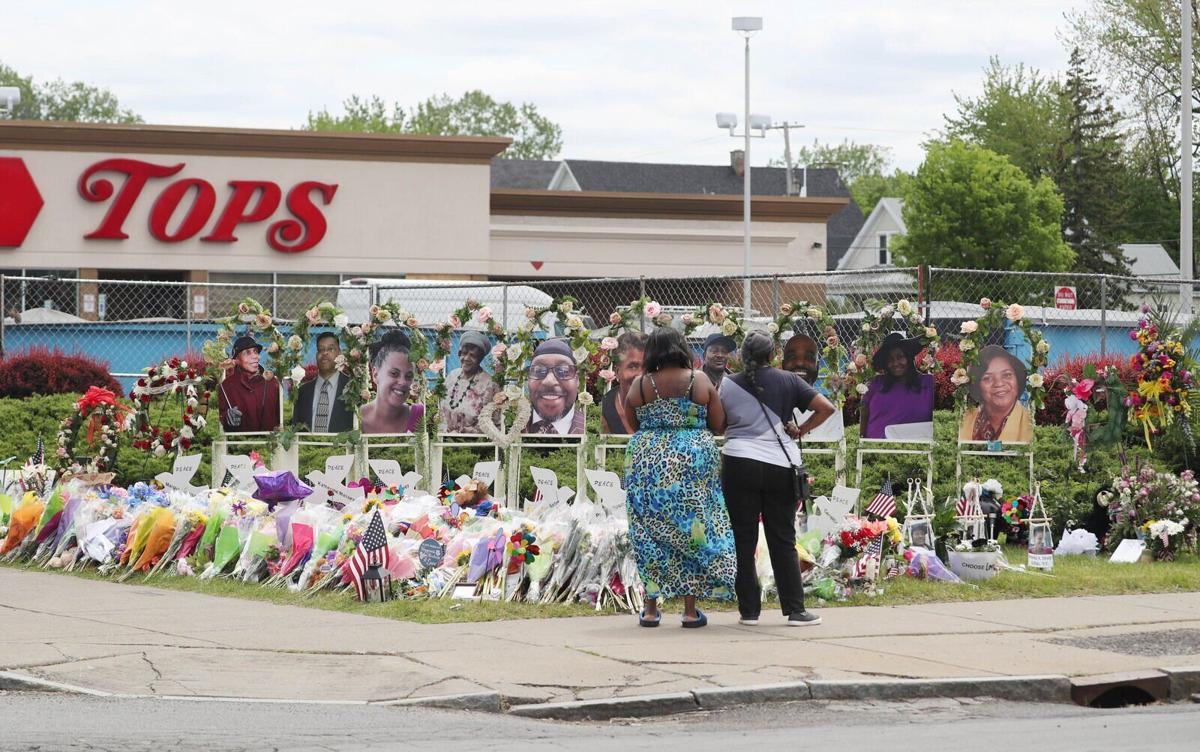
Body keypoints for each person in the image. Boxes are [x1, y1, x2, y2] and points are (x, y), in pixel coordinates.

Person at [623, 326, 737, 628]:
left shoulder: (641, 384)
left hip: (647, 460)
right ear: (682, 349)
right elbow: (718, 423)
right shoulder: (698, 380)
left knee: (649, 532)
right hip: (693, 460)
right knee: (693, 529)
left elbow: (632, 421)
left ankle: (649, 609)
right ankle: (689, 611)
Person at [719, 330, 834, 627]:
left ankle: (749, 611)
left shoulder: (728, 384)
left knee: (743, 539)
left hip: (738, 463)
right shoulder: (790, 380)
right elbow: (827, 408)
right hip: (780, 467)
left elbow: (718, 424)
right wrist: (800, 430)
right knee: (782, 538)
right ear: (773, 355)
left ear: (743, 356)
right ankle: (795, 610)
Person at [859, 332, 934, 440]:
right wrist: (861, 440)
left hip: (914, 451)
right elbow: (864, 413)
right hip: (874, 448)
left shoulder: (928, 383)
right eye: (890, 359)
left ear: (909, 357)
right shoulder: (875, 384)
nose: (895, 363)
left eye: (900, 357)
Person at [960, 344, 1033, 443]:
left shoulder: (1030, 422)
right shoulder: (966, 419)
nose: (999, 383)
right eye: (987, 378)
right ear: (977, 386)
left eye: (1007, 375)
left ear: (1017, 379)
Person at [360, 330, 425, 434]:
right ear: (375, 374)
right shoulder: (357, 417)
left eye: (409, 376)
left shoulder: (419, 415)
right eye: (394, 373)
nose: (403, 382)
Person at [438, 330, 499, 434]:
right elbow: (440, 411)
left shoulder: (490, 384)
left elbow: (493, 423)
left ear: (480, 359)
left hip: (473, 443)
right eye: (464, 353)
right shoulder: (452, 376)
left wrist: (464, 432)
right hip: (444, 439)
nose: (466, 358)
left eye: (472, 355)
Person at [292, 332, 352, 433]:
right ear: (316, 355)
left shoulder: (352, 388)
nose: (325, 353)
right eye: (321, 350)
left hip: (342, 448)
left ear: (339, 354)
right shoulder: (302, 392)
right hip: (308, 448)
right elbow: (296, 429)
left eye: (330, 349)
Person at [219, 335, 281, 433]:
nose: (255, 356)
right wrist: (228, 420)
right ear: (236, 360)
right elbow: (222, 422)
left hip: (269, 446)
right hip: (239, 446)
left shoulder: (273, 383)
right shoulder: (226, 387)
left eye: (255, 351)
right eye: (247, 353)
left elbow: (281, 419)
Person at [525, 339, 585, 434]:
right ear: (528, 379)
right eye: (539, 371)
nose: (549, 381)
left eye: (563, 371)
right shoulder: (507, 428)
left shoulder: (594, 432)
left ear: (577, 380)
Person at [600, 331, 647, 434]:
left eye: (647, 367)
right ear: (617, 372)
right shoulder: (602, 410)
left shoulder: (663, 409)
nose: (641, 375)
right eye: (633, 366)